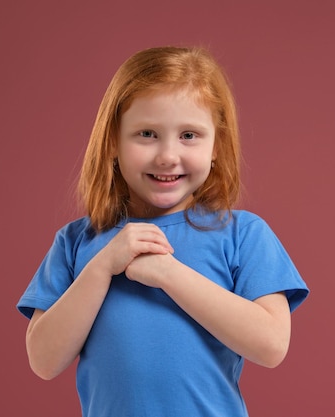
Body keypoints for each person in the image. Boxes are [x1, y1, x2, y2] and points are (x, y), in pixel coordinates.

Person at [17, 45, 309, 417]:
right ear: (112, 143)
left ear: (216, 144)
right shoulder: (77, 242)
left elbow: (271, 345)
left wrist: (170, 274)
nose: (168, 155)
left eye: (189, 135)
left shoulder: (243, 234)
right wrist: (102, 268)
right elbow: (43, 360)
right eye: (147, 134)